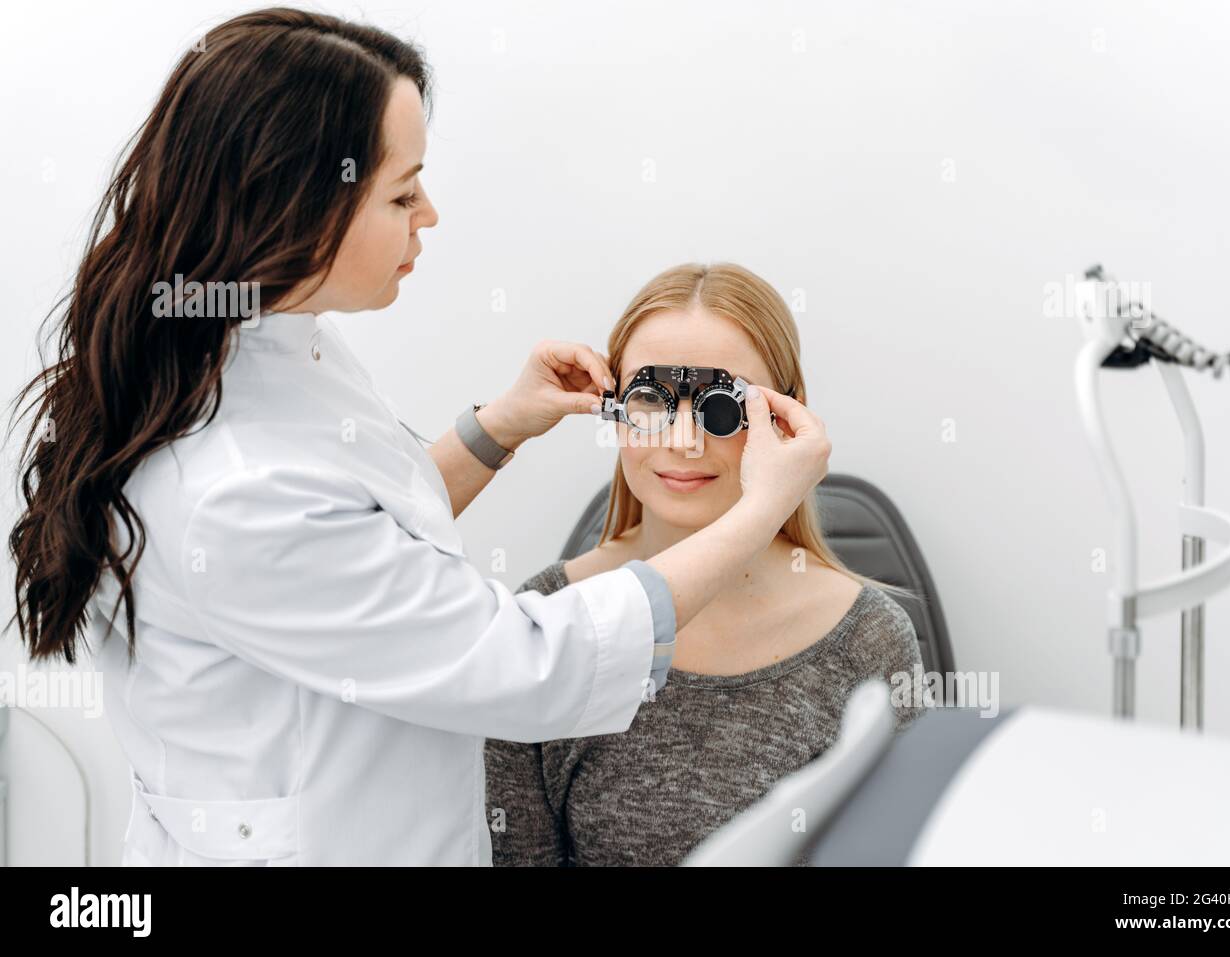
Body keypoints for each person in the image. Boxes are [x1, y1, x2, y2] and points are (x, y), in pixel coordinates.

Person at [6, 9, 829, 865]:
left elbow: (360, 540)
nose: (429, 214)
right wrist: (762, 506)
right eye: (402, 193)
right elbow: (535, 667)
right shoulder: (233, 486)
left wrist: (498, 428)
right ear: (299, 205)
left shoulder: (266, 344)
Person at [485, 262, 924, 866]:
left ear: (787, 417)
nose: (685, 439)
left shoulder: (869, 636)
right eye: (650, 400)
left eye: (723, 406)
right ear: (613, 409)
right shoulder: (546, 624)